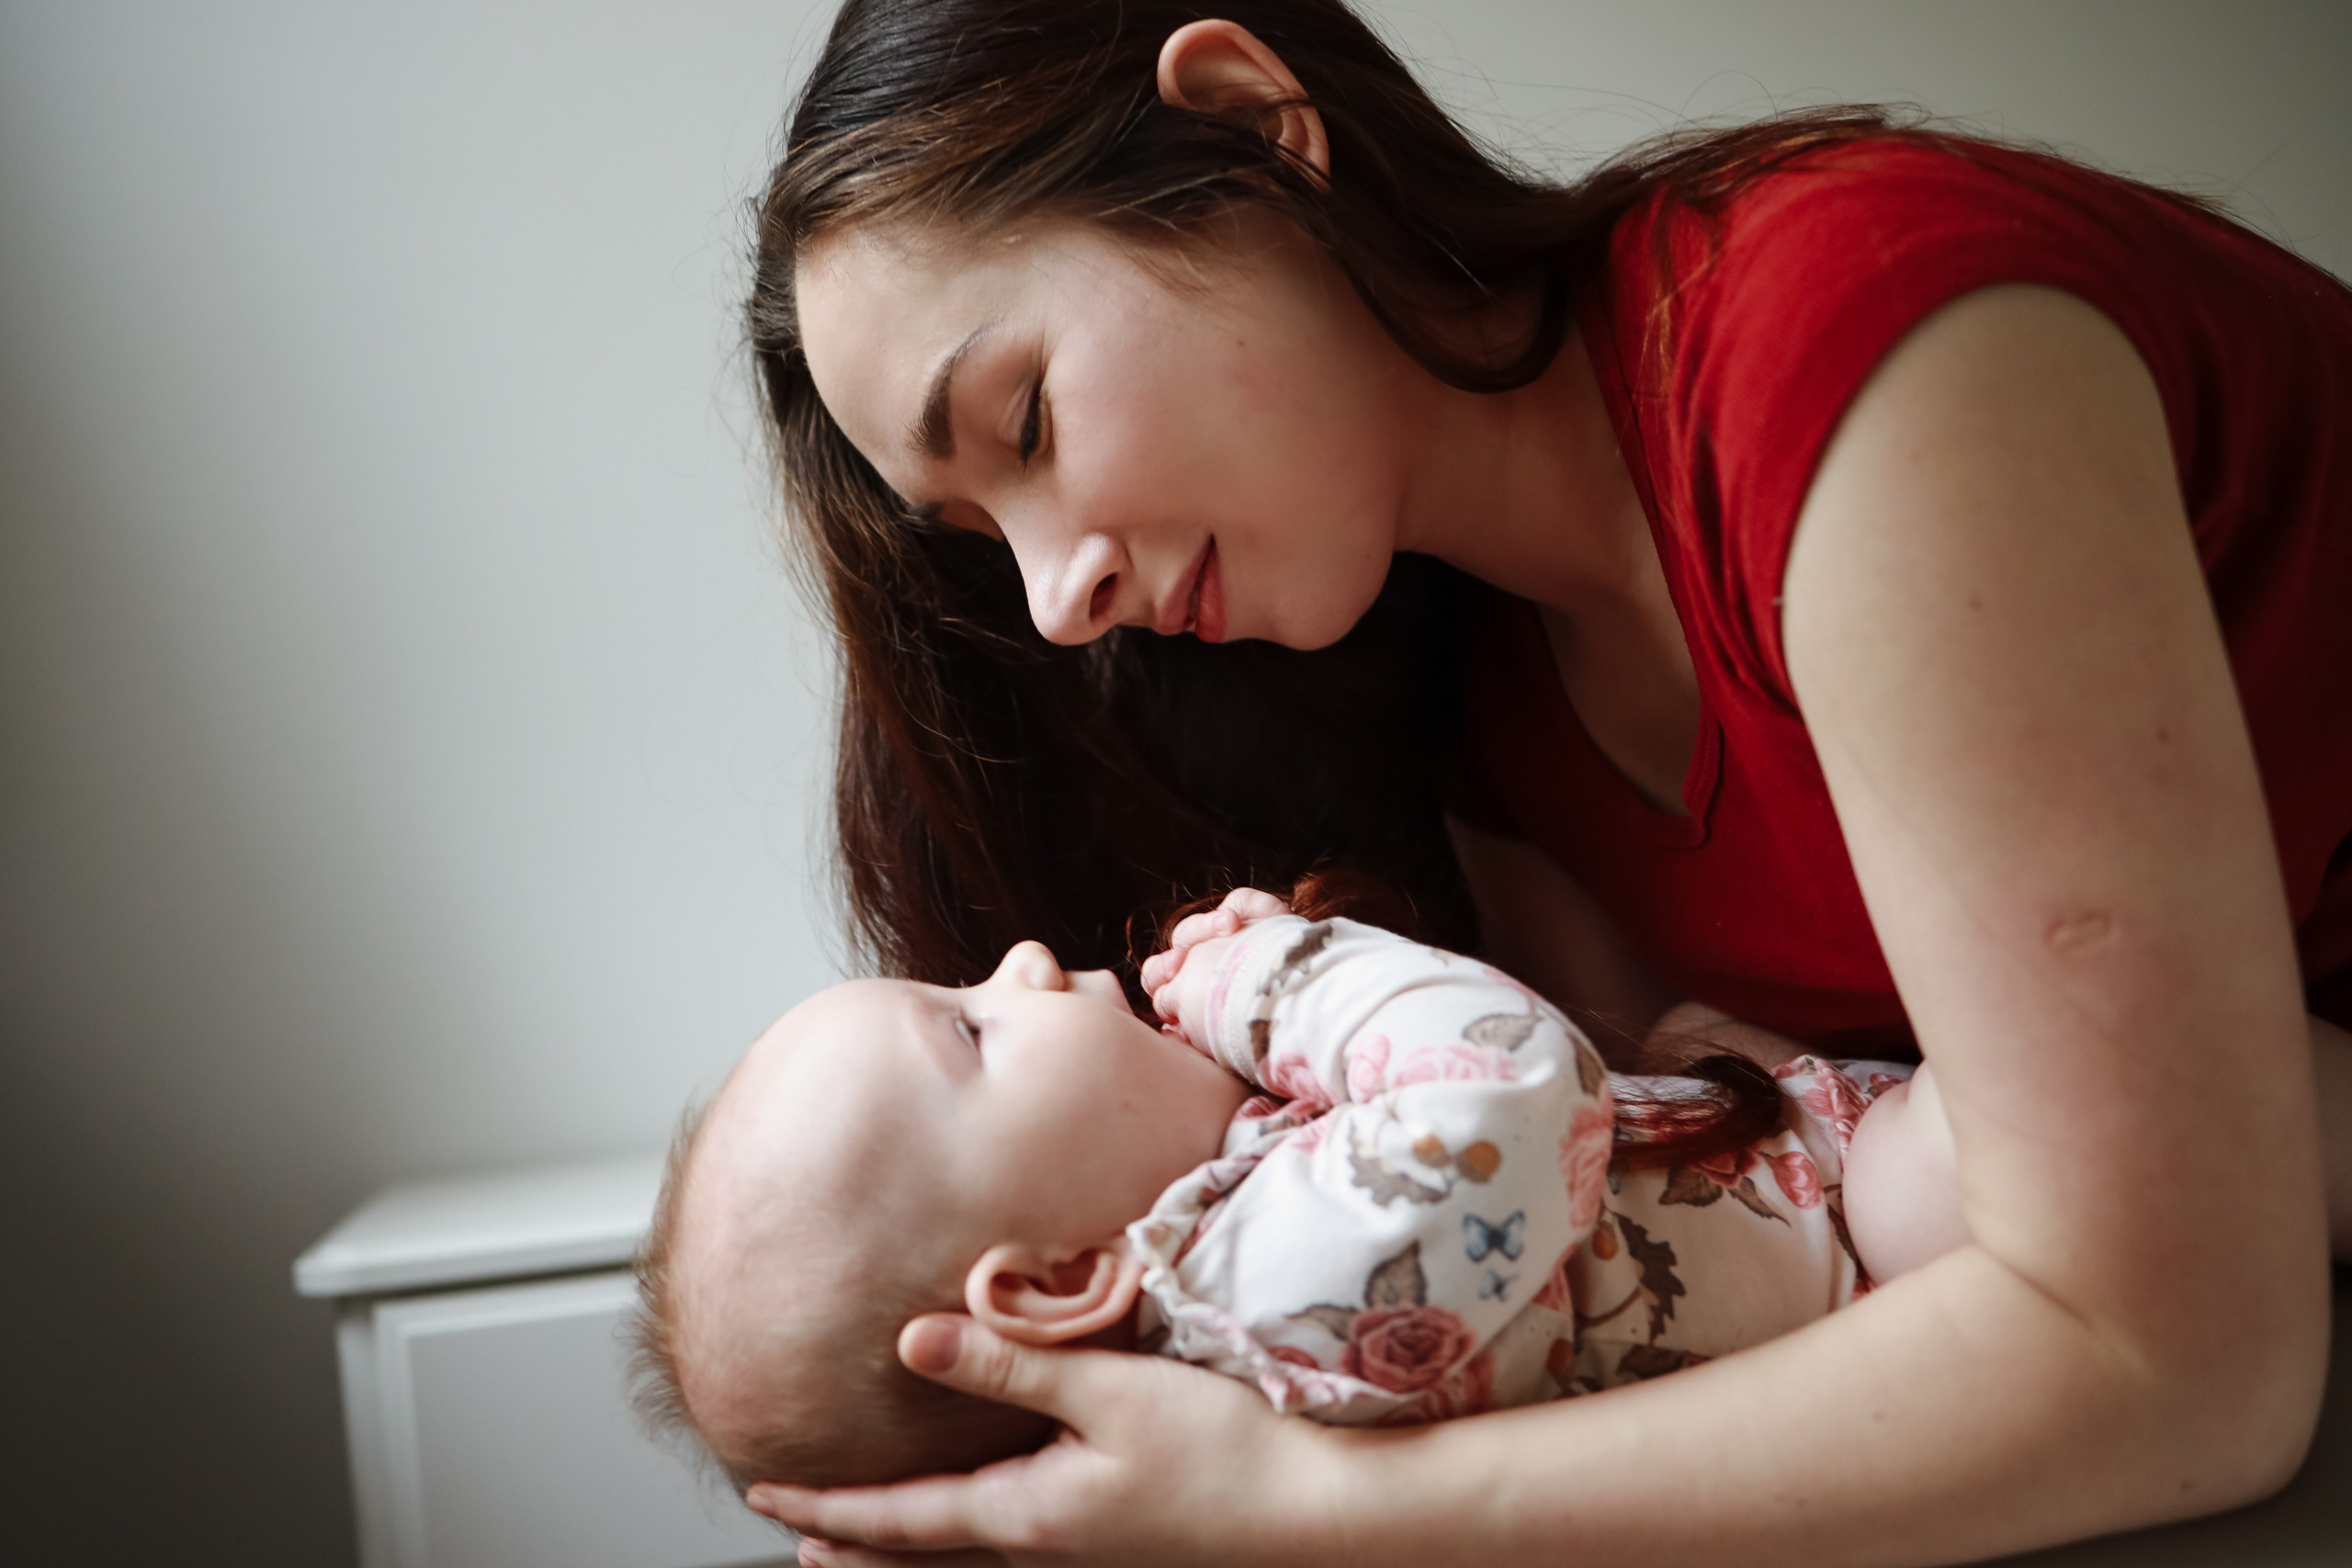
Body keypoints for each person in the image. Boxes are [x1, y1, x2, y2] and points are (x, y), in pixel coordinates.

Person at [741, 1, 2352, 1562]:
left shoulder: (1854, 352)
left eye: (1025, 417)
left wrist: (1309, 1520)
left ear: (1252, 129)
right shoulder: (1457, 688)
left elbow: (2189, 1367)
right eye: (975, 536)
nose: (1047, 602)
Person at [630, 888, 1961, 1495]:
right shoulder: (1264, 1301)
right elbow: (1501, 1089)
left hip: (1780, 1165)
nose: (1022, 960)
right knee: (1955, 1151)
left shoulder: (1248, 1234)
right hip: (1870, 1256)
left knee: (1695, 1024)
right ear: (1059, 1283)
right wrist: (1269, 979)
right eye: (973, 1031)